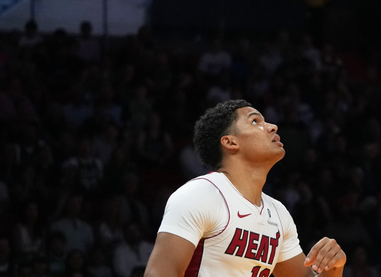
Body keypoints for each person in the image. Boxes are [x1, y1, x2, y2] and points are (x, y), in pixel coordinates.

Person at [144, 99, 347, 277]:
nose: (272, 126)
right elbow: (159, 272)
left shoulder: (278, 213)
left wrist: (334, 267)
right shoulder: (201, 194)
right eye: (255, 121)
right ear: (231, 142)